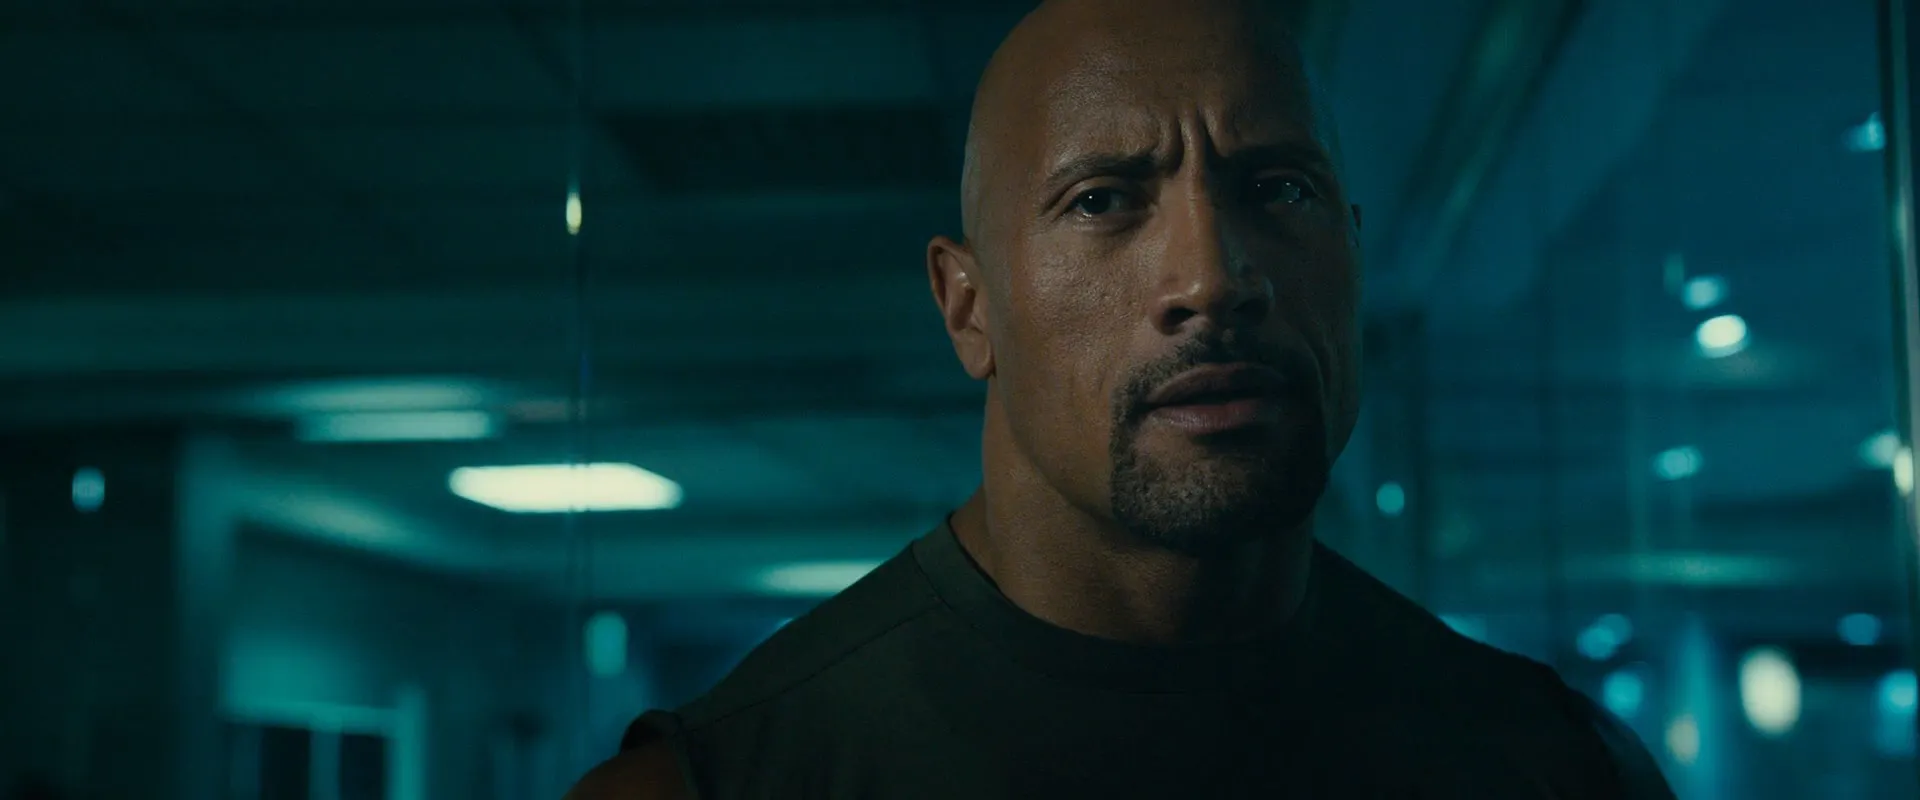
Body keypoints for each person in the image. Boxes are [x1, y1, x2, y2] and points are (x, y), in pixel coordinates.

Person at [568, 0, 1676, 796]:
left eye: (1278, 189)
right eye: (1102, 200)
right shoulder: (723, 782)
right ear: (968, 307)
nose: (1213, 278)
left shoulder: (1558, 764)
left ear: (1351, 254)